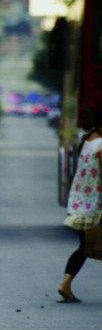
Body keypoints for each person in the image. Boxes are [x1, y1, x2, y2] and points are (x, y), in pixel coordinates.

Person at [58, 110, 102, 303]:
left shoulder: (88, 140)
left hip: (83, 202)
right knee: (85, 248)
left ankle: (65, 284)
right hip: (96, 205)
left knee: (84, 248)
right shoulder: (101, 145)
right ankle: (65, 284)